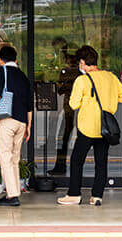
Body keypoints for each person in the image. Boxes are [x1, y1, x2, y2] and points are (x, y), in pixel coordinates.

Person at [58, 45, 122, 206]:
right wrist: (109, 102)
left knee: (77, 160)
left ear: (82, 62)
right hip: (105, 128)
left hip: (87, 127)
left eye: (79, 63)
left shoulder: (82, 80)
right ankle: (97, 196)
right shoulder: (110, 77)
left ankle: (74, 194)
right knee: (101, 162)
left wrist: (87, 102)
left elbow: (74, 104)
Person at [0, 45, 33, 207]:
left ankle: (12, 195)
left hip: (7, 120)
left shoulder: (1, 72)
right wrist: (29, 126)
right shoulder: (23, 76)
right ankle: (13, 193)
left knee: (5, 157)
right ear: (16, 59)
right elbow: (29, 104)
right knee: (14, 158)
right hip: (21, 121)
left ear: (1, 60)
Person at [49, 41, 79, 175]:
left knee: (64, 137)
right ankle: (63, 166)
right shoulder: (80, 73)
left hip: (70, 110)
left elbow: (60, 90)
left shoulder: (68, 72)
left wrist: (62, 84)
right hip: (73, 110)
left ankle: (61, 165)